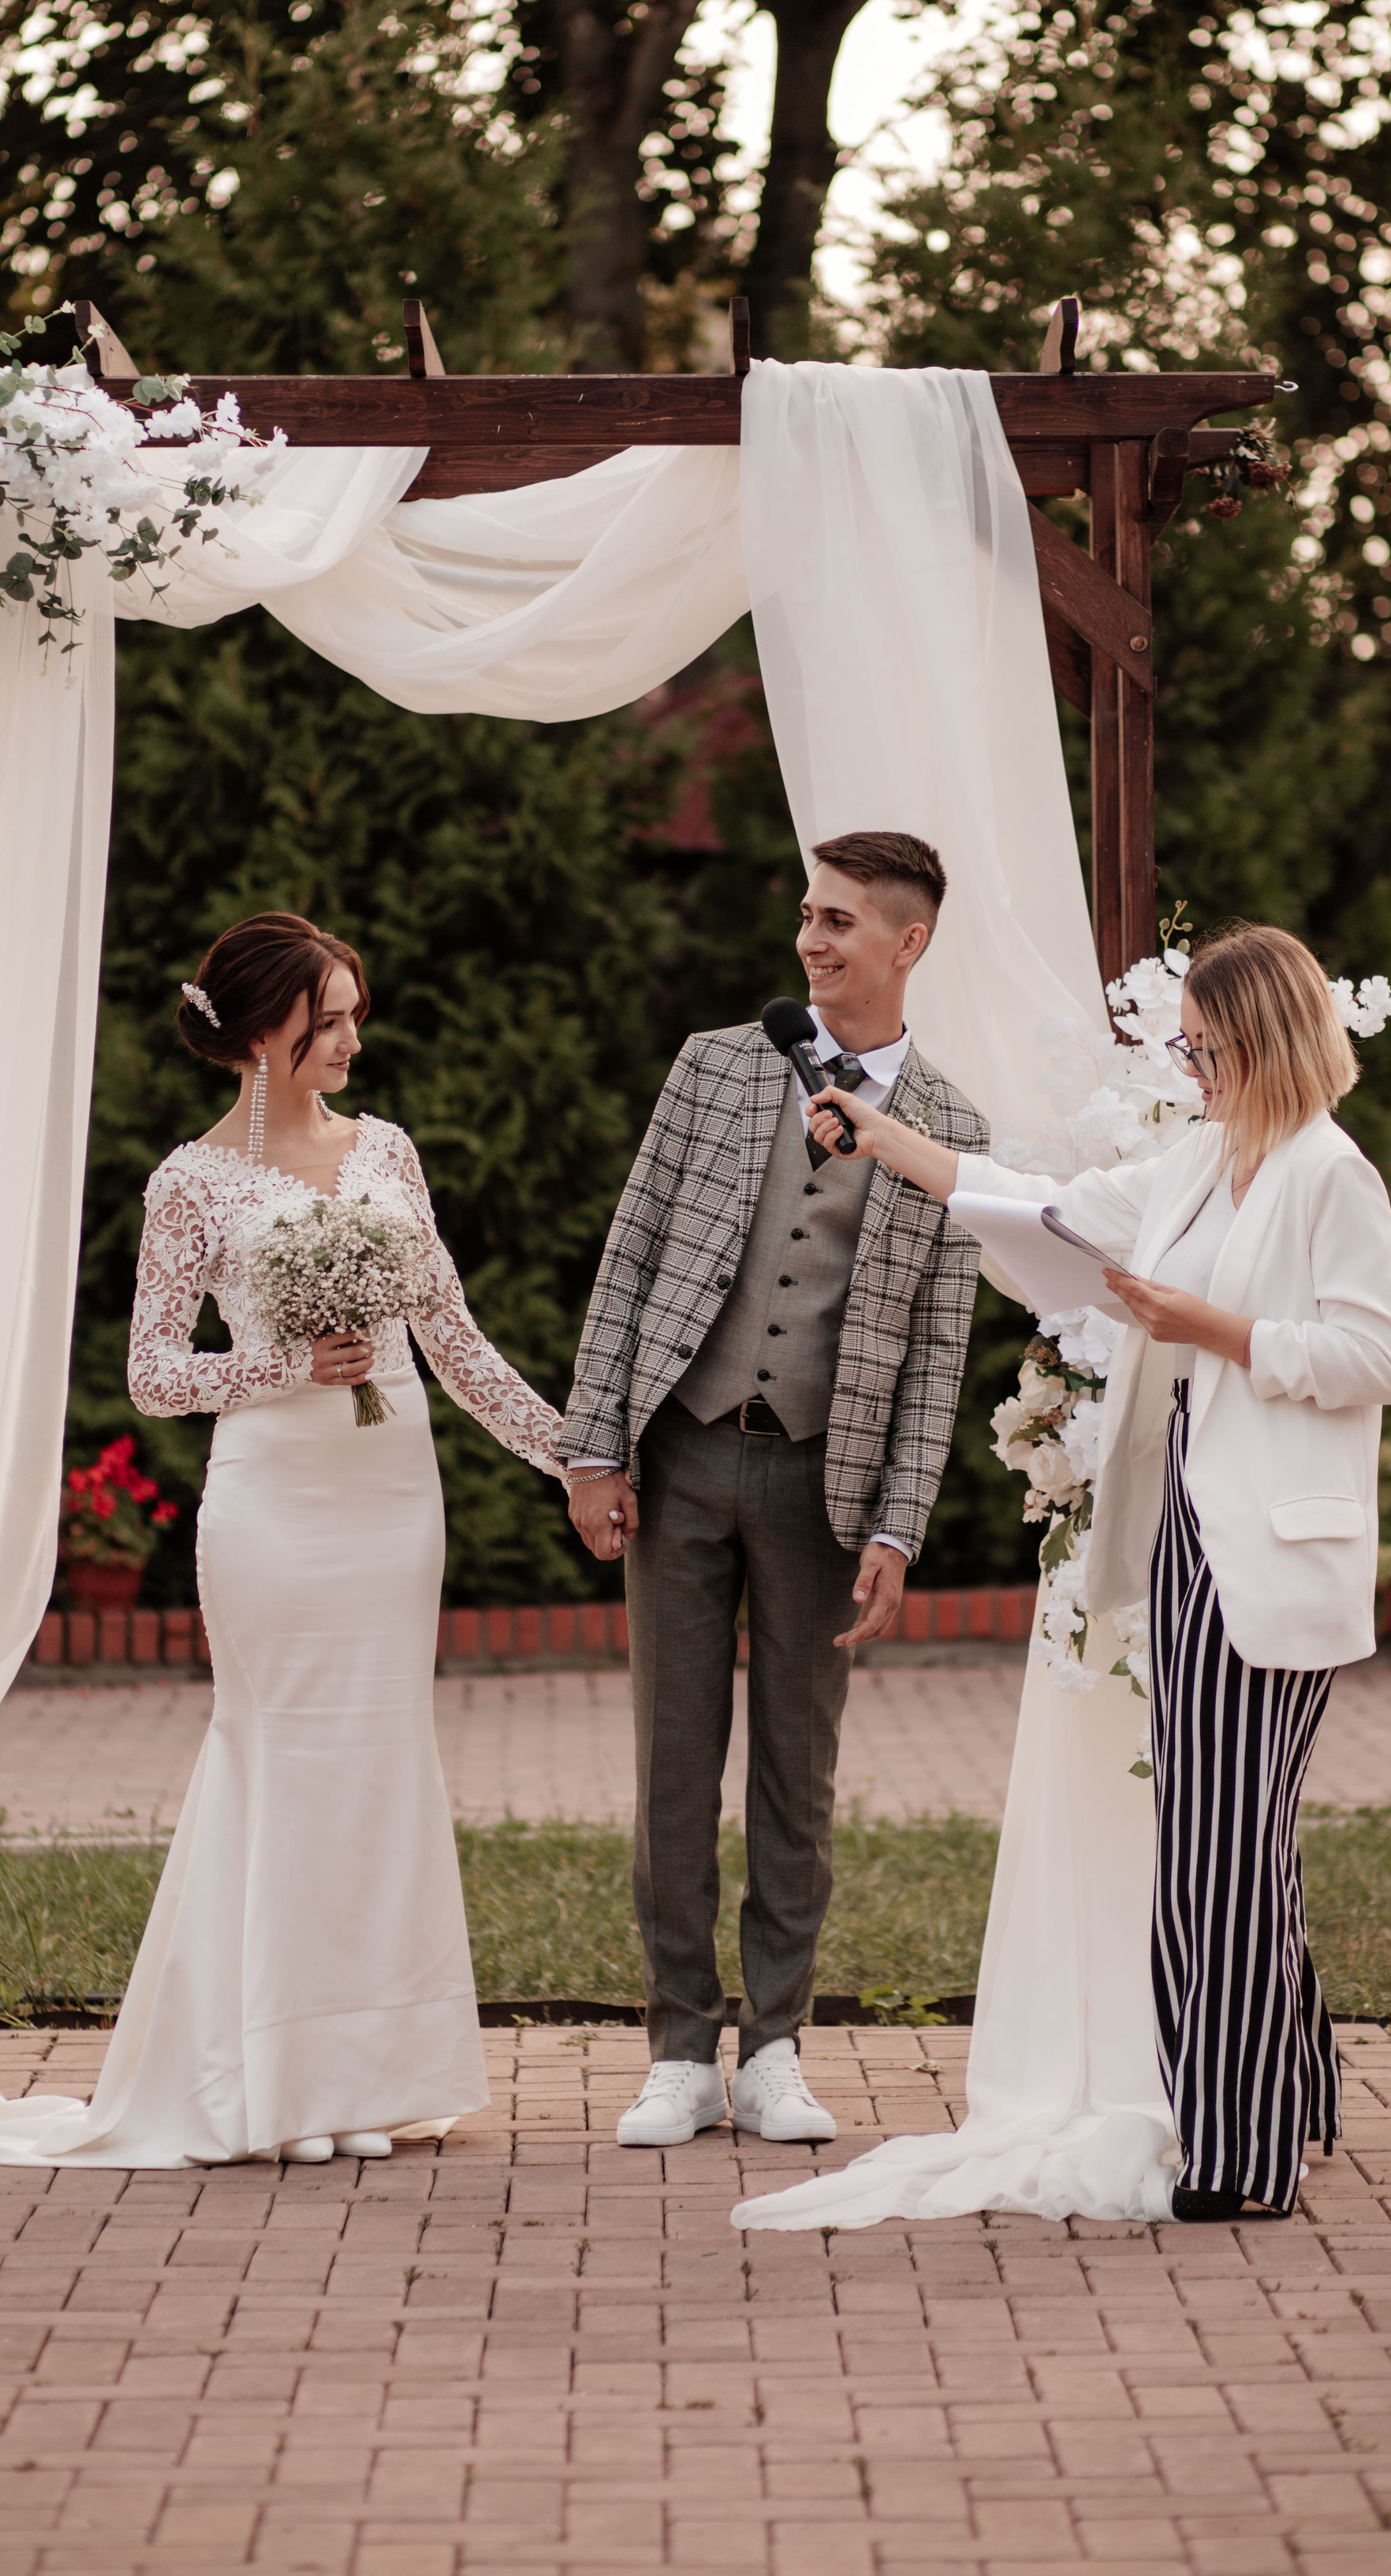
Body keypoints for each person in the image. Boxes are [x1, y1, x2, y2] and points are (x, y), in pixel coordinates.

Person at [737, 920, 1391, 2227]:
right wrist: (883, 1138)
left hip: (1272, 1547)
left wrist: (1208, 1327)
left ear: (1256, 1038)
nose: (1188, 1063)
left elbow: (1373, 1358)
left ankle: (1245, 2153)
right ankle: (1294, 2095)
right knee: (1225, 1845)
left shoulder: (1333, 1176)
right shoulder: (1201, 1162)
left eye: (1200, 1044)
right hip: (1189, 1541)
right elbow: (1033, 1203)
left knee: (1218, 1855)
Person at [88, 909, 564, 2166]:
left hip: (392, 1497)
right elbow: (150, 1373)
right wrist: (284, 1362)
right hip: (272, 1503)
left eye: (355, 1011)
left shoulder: (388, 1152)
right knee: (283, 1756)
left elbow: (453, 1341)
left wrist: (576, 1452)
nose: (354, 1036)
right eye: (328, 1019)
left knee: (377, 1764)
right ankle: (272, 2077)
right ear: (257, 1034)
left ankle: (373, 2076)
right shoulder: (192, 1182)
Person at [562, 832, 985, 2151]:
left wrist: (900, 1525)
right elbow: (632, 1254)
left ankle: (778, 2050)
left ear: (906, 943)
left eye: (841, 921)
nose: (813, 939)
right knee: (673, 1763)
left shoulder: (955, 1131)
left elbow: (935, 1352)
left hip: (825, 1480)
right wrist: (593, 1445)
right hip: (682, 1451)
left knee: (801, 1776)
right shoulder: (716, 1065)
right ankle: (679, 2049)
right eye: (808, 914)